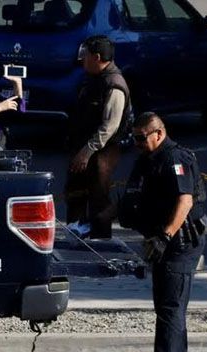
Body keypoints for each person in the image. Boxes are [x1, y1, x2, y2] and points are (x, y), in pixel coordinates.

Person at [120, 113, 207, 352]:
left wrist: (164, 236)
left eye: (141, 137)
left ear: (158, 133)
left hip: (179, 242)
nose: (137, 143)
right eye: (134, 138)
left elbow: (185, 202)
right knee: (170, 305)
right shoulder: (150, 159)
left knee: (170, 306)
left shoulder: (175, 158)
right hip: (165, 241)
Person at [65, 35, 132, 239]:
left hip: (101, 152)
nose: (82, 60)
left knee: (98, 198)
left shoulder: (114, 84)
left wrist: (87, 152)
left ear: (97, 57)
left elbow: (109, 127)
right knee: (75, 193)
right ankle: (75, 236)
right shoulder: (93, 78)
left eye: (85, 56)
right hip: (82, 147)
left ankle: (101, 242)